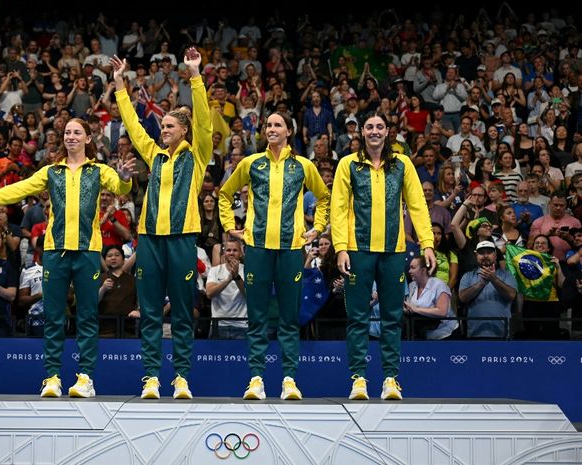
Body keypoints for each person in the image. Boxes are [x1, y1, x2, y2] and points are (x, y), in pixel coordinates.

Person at [0, 118, 135, 399]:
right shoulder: (52, 171)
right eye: (67, 132)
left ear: (88, 138)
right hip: (54, 252)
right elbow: (21, 188)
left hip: (88, 252)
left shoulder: (99, 171)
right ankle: (52, 377)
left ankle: (86, 378)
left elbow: (122, 186)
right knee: (53, 317)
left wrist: (125, 177)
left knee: (87, 317)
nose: (71, 136)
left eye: (78, 132)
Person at [110, 48, 211, 400]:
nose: (163, 130)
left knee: (183, 311)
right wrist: (120, 85)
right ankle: (151, 377)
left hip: (183, 239)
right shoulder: (154, 154)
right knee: (150, 311)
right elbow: (135, 128)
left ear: (184, 130)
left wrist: (194, 74)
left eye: (169, 126)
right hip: (149, 240)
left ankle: (181, 377)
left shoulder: (198, 154)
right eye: (163, 126)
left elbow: (205, 123)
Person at [219, 110, 330, 401]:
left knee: (288, 317)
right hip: (256, 248)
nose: (271, 128)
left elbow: (324, 197)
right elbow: (224, 193)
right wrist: (231, 227)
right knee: (256, 316)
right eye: (268, 124)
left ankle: (289, 379)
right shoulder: (251, 163)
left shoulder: (304, 165)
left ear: (289, 131)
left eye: (277, 124)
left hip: (292, 249)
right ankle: (256, 378)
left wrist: (317, 228)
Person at [330, 111, 435, 401]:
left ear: (388, 131)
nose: (375, 131)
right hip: (358, 250)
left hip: (393, 251)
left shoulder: (402, 164)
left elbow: (417, 205)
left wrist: (427, 242)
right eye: (369, 127)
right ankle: (358, 379)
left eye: (380, 126)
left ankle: (390, 378)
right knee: (357, 318)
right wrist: (340, 247)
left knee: (392, 316)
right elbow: (338, 209)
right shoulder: (348, 164)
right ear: (361, 132)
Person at [459, 240, 517, 338]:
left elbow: (511, 295)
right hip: (475, 334)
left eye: (489, 252)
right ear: (476, 256)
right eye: (481, 253)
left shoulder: (507, 275)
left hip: (503, 334)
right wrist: (482, 283)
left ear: (495, 255)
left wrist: (493, 279)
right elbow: (463, 298)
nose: (485, 256)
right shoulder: (467, 276)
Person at [404, 256, 458, 340]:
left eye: (413, 268)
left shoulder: (439, 285)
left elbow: (442, 311)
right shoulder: (411, 286)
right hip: (426, 335)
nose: (409, 271)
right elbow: (410, 308)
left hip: (446, 334)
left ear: (423, 270)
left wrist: (416, 309)